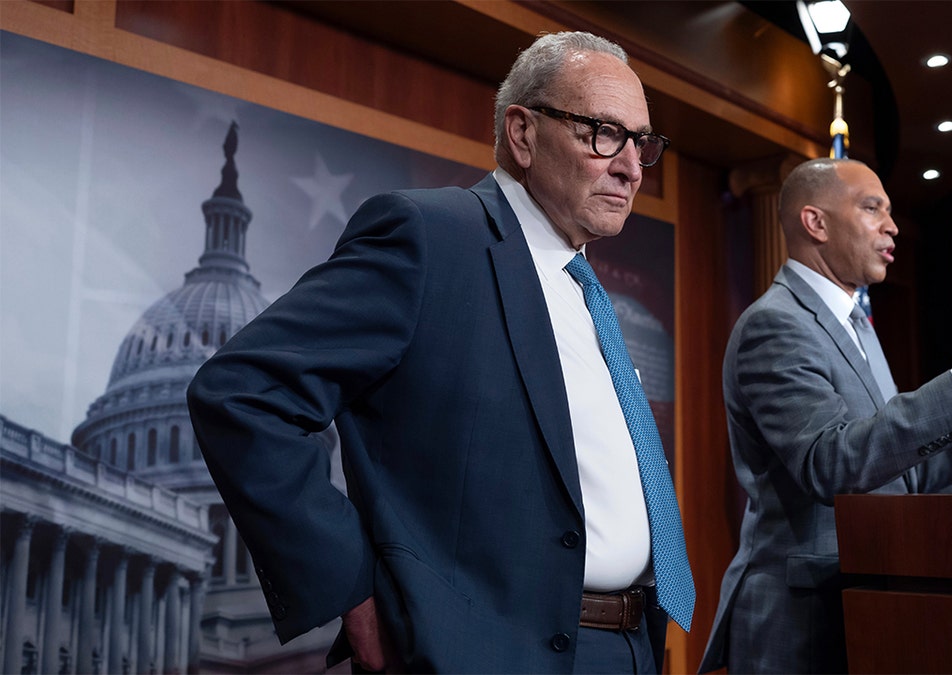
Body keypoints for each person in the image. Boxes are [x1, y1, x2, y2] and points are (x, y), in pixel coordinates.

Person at [187, 31, 693, 674]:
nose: (629, 165)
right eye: (602, 133)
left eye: (641, 142)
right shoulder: (430, 237)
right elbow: (241, 394)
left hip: (629, 647)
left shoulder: (585, 288)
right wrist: (350, 588)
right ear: (523, 133)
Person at [699, 157, 952, 674]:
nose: (892, 225)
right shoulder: (776, 324)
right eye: (872, 207)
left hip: (868, 599)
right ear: (816, 223)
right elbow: (828, 464)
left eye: (891, 211)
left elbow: (905, 469)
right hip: (803, 619)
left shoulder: (857, 323)